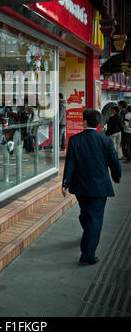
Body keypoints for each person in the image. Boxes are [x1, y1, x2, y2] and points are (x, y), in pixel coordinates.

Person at [62, 109, 121, 265]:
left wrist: (65, 184)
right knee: (94, 219)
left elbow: (70, 164)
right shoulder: (105, 140)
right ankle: (88, 255)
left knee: (86, 213)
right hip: (100, 187)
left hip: (80, 187)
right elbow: (114, 162)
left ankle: (88, 235)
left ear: (85, 122)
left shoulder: (75, 140)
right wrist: (116, 176)